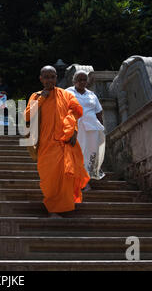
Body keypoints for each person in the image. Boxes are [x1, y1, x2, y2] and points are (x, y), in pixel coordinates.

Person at [24, 66, 90, 218]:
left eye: (52, 77)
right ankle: (52, 208)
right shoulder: (36, 96)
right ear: (41, 79)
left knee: (66, 176)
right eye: (46, 77)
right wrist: (42, 98)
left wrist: (73, 130)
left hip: (64, 143)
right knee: (50, 179)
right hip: (45, 145)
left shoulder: (66, 95)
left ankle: (62, 207)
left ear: (56, 78)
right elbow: (27, 116)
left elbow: (74, 112)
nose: (49, 80)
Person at [66, 70, 106, 190]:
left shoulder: (92, 95)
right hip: (75, 128)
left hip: (92, 128)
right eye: (79, 79)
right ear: (74, 81)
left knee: (90, 154)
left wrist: (101, 127)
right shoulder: (68, 92)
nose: (82, 82)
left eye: (84, 79)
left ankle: (85, 180)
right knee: (77, 152)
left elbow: (98, 112)